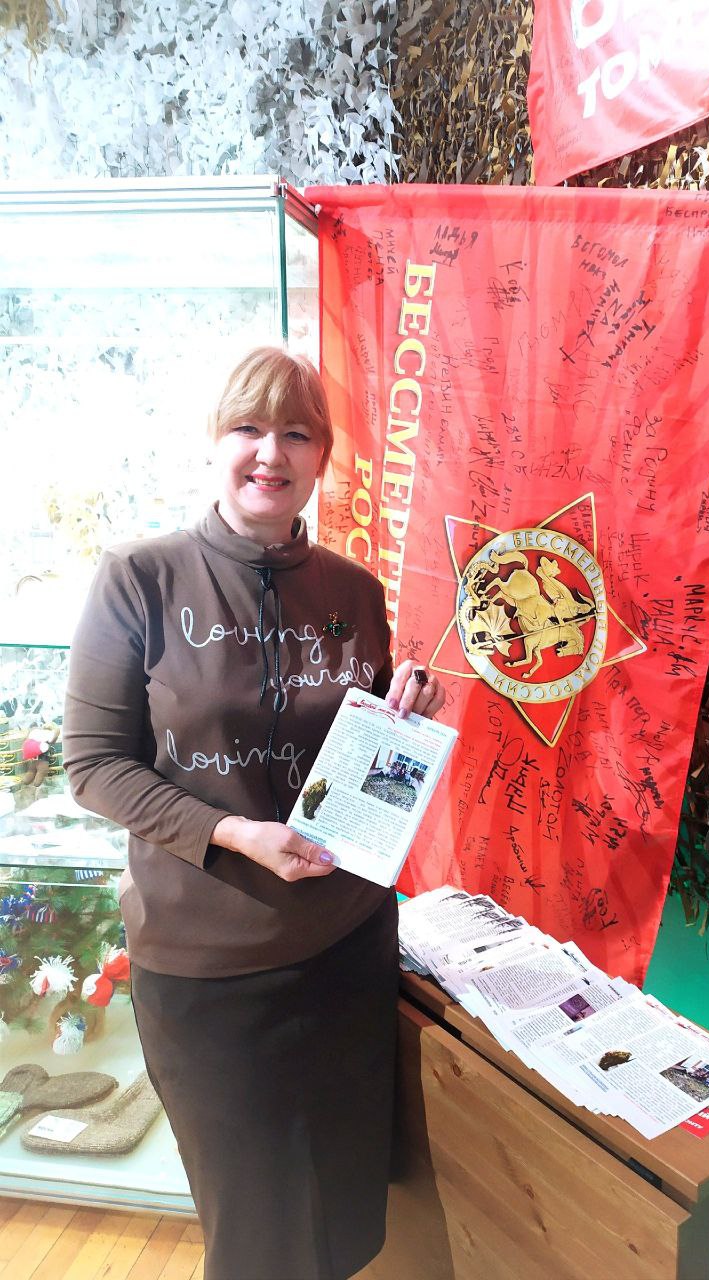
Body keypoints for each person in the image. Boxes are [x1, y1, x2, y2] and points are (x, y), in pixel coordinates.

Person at [62, 347, 445, 1280]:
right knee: (255, 1233)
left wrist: (405, 713)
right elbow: (93, 766)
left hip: (348, 947)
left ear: (321, 459)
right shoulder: (138, 578)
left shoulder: (353, 591)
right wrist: (232, 833)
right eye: (249, 427)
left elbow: (355, 761)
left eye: (297, 434)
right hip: (211, 972)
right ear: (215, 441)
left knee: (347, 1210)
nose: (271, 453)